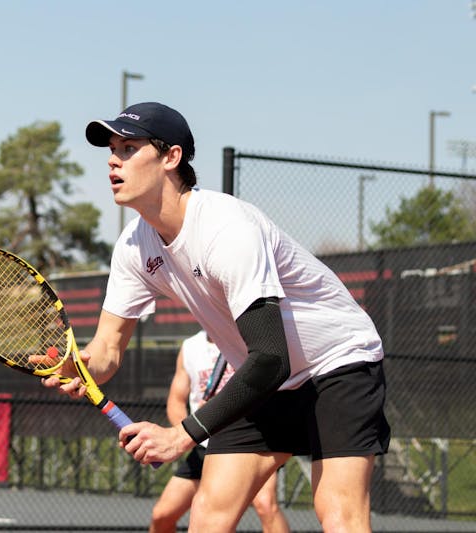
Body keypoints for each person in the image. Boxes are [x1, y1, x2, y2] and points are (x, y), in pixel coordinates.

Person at [41, 102, 390, 532]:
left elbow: (269, 358)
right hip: (266, 380)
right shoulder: (133, 247)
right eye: (111, 149)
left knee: (338, 515)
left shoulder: (228, 229)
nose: (113, 160)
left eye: (128, 148)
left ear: (171, 157)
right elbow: (108, 349)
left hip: (337, 362)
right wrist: (83, 366)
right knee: (208, 517)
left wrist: (181, 433)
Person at [150, 330, 290, 533]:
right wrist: (189, 434)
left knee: (265, 504)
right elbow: (176, 401)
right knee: (162, 515)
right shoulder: (190, 347)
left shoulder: (251, 340)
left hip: (249, 441)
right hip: (204, 445)